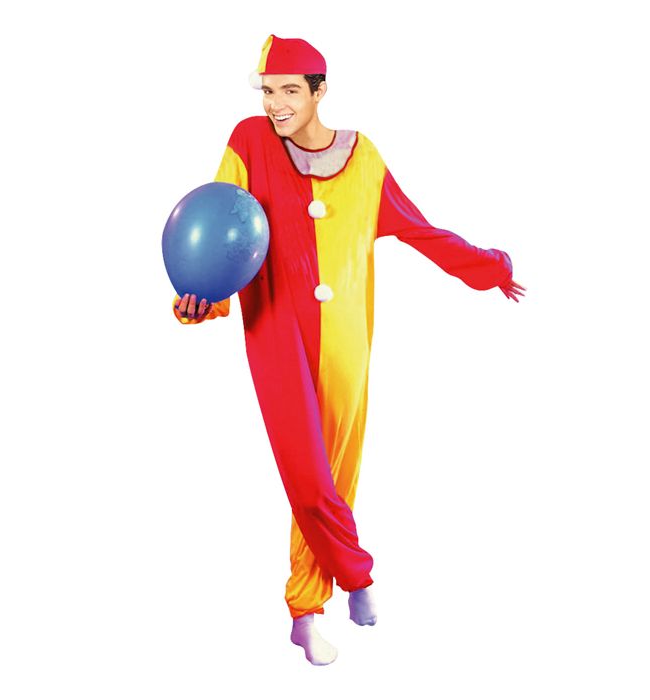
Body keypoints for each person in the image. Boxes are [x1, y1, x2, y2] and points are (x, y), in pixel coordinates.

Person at [172, 33, 525, 666]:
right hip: (276, 331)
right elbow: (225, 229)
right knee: (308, 476)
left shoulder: (363, 159)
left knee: (335, 475)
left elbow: (418, 229)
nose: (276, 104)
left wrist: (490, 267)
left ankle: (305, 611)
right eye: (267, 91)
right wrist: (205, 299)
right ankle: (357, 574)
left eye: (289, 91)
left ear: (319, 91)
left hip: (346, 341)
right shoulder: (249, 142)